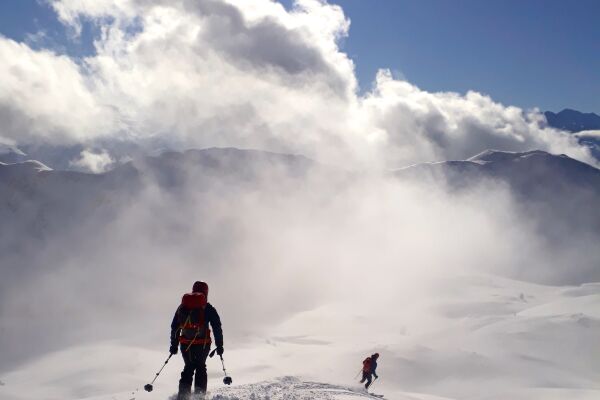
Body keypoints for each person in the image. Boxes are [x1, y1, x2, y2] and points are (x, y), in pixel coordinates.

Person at [170, 281, 224, 400]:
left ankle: (183, 397)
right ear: (206, 292)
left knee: (188, 367)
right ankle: (199, 397)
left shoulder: (182, 307)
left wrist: (174, 345)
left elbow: (174, 326)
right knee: (200, 367)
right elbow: (217, 326)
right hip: (202, 345)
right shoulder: (208, 308)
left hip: (185, 344)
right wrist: (219, 345)